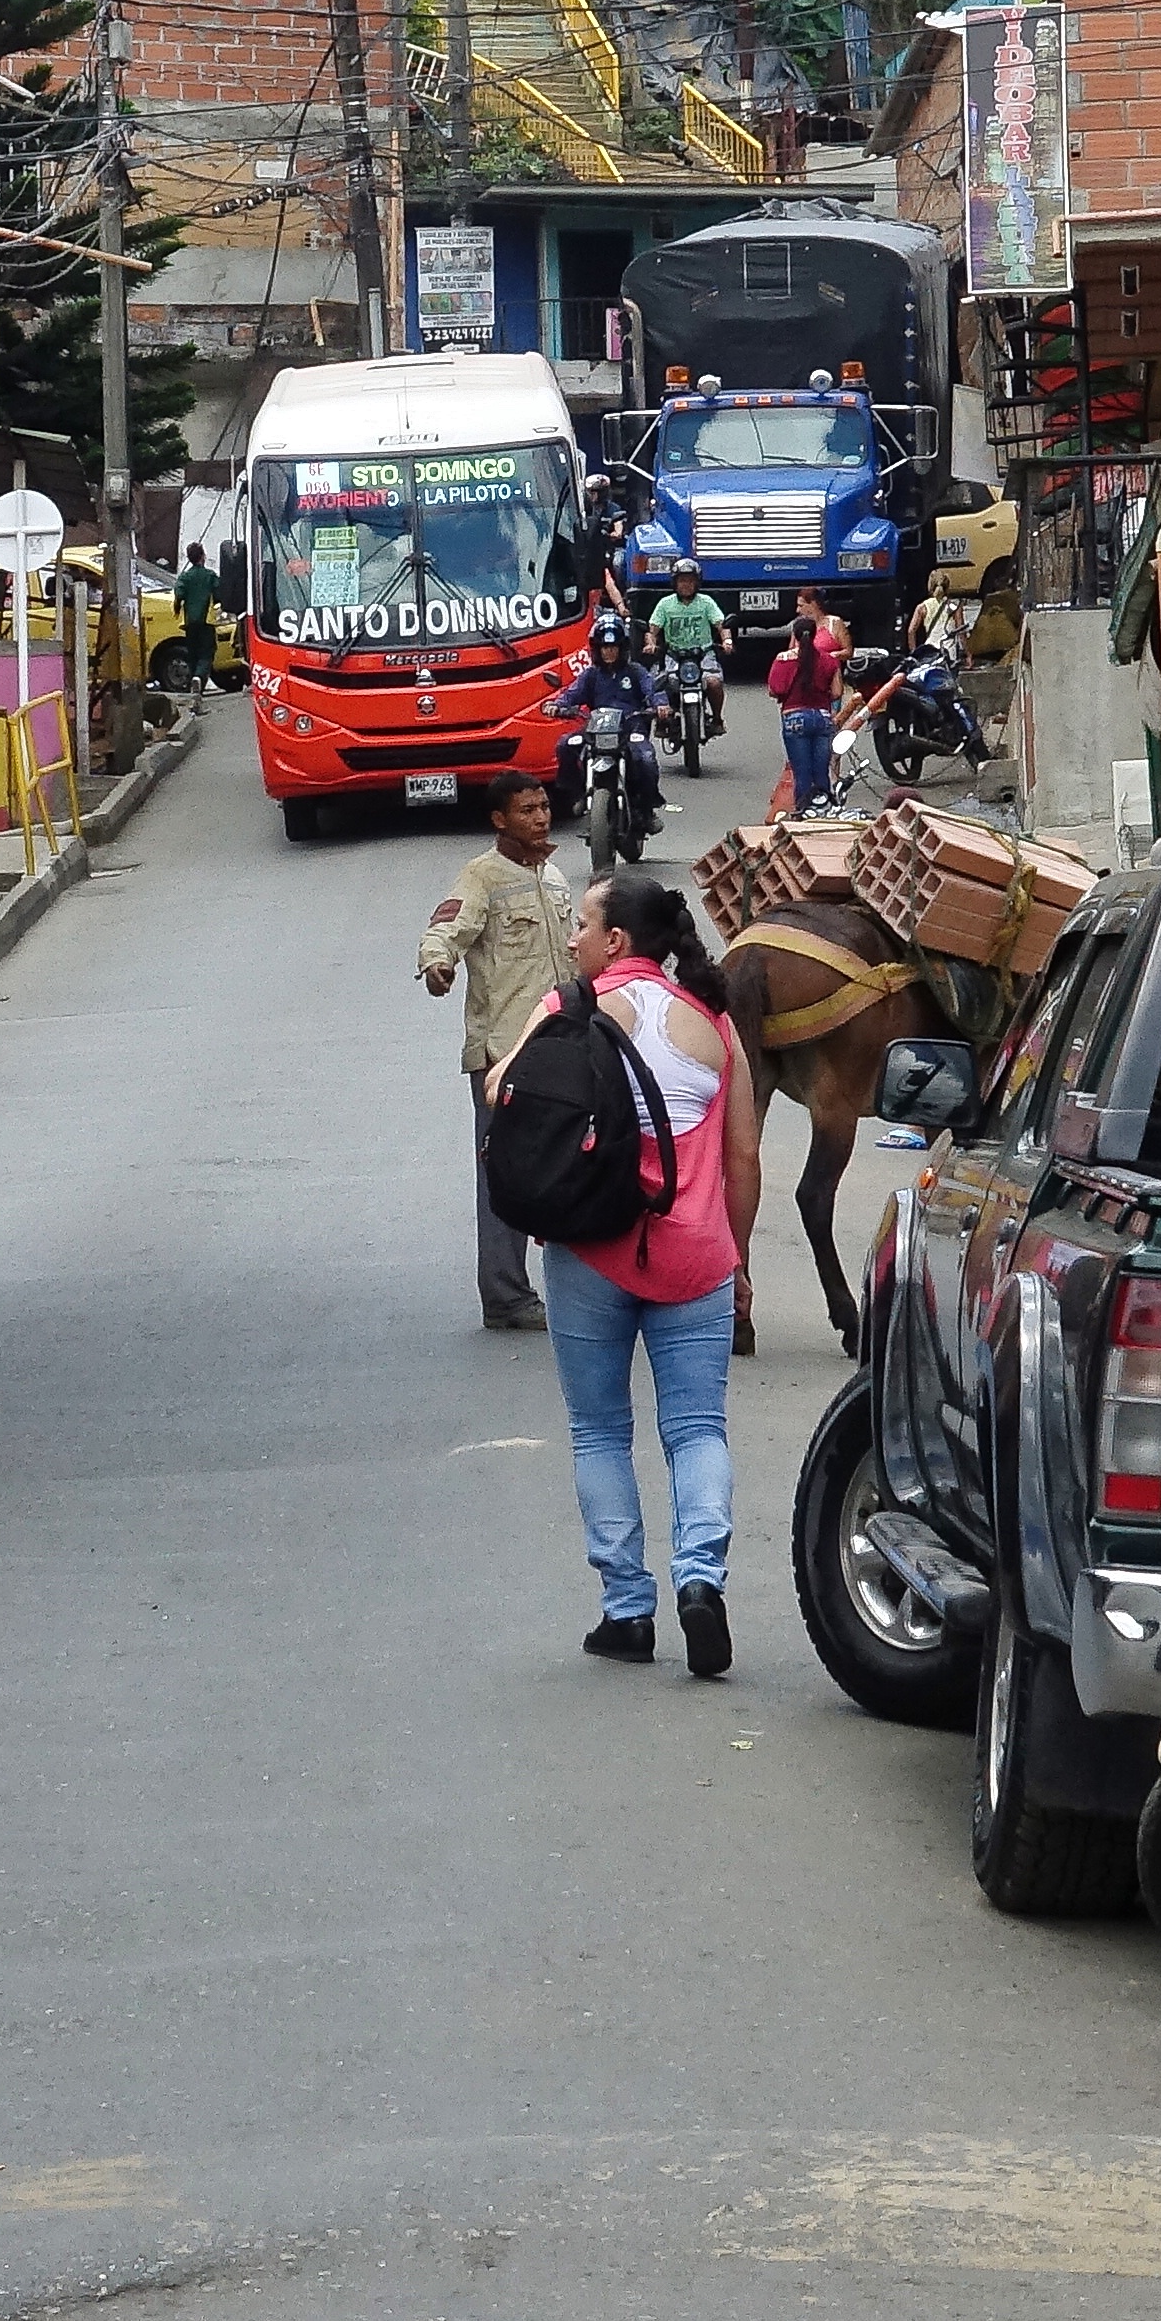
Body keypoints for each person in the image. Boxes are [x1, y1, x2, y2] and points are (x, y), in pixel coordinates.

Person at [503, 873, 760, 1675]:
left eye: (582, 924)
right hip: (694, 1257)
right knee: (697, 1429)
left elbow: (500, 1088)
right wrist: (737, 1260)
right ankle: (701, 1581)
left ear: (615, 942)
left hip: (589, 1251)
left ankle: (627, 1609)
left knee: (599, 1429)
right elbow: (744, 1154)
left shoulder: (568, 1010)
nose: (573, 938)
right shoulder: (713, 1023)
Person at [416, 775, 578, 1332]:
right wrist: (437, 966)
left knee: (568, 1166)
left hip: (562, 1050)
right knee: (503, 1175)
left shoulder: (556, 880)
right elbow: (445, 930)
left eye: (544, 807)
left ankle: (574, 1290)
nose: (540, 818)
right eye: (527, 810)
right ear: (499, 821)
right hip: (503, 1056)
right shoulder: (482, 877)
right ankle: (506, 1297)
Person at [544, 610, 666, 837]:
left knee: (647, 760)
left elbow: (653, 690)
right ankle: (578, 793)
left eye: (613, 647)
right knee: (565, 745)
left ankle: (647, 810)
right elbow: (570, 695)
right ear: (597, 649)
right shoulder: (591, 675)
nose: (609, 652)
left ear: (622, 648)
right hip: (597, 730)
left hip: (631, 729)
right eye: (604, 647)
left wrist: (660, 706)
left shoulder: (636, 672)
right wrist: (556, 705)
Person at [770, 590, 846, 808]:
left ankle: (803, 812)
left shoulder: (783, 659)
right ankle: (823, 809)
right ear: (815, 634)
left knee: (801, 773)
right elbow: (837, 692)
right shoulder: (829, 661)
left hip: (794, 718)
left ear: (795, 634)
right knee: (821, 772)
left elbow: (775, 690)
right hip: (822, 717)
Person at [646, 563, 725, 720]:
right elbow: (652, 630)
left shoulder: (706, 602)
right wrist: (651, 644)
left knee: (714, 683)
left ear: (697, 582)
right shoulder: (665, 604)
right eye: (682, 581)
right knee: (663, 682)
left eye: (690, 581)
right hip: (674, 655)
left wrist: (727, 640)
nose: (686, 585)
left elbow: (721, 625)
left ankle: (717, 719)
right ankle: (664, 719)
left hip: (703, 654)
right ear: (675, 583)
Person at [168, 550, 218, 690]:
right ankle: (199, 677)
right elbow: (219, 593)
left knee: (193, 653)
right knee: (206, 654)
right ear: (202, 556)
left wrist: (177, 610)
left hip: (190, 622)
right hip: (206, 621)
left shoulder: (185, 577)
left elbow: (179, 594)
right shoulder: (210, 576)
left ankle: (194, 686)